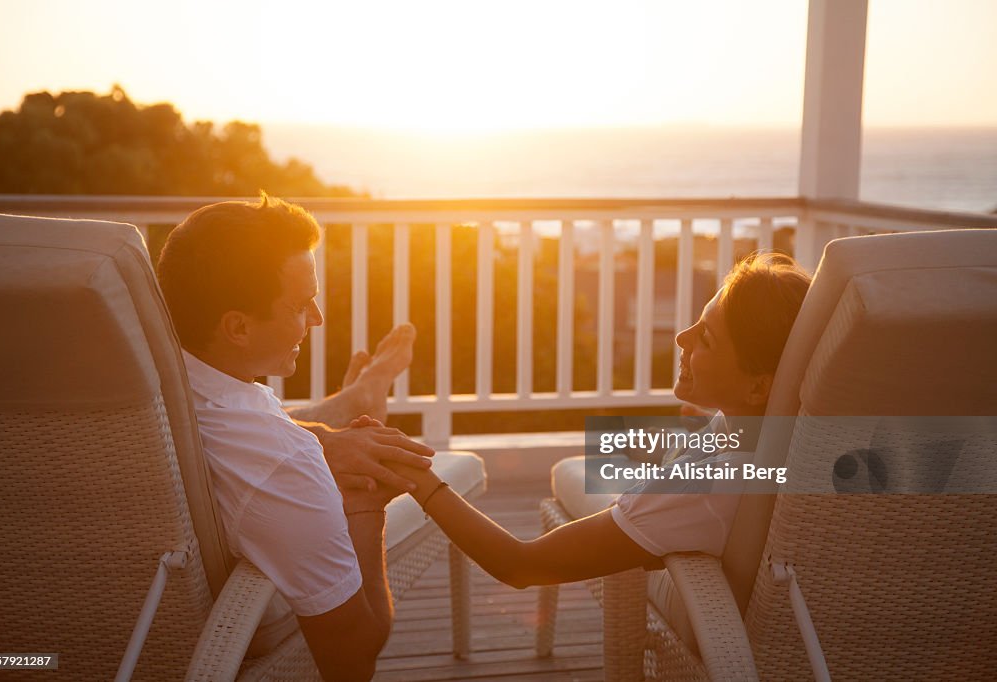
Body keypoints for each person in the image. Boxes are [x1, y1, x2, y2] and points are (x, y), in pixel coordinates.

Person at [376, 253, 811, 589]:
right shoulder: (803, 444)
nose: (681, 338)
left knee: (573, 471)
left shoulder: (701, 489)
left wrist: (422, 479)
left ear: (758, 387)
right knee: (625, 446)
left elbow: (520, 564)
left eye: (706, 338)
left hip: (696, 595)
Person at [157, 194, 431, 681]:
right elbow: (352, 658)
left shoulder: (148, 385)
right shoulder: (286, 459)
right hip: (233, 618)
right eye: (302, 305)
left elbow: (259, 438)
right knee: (307, 440)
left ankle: (352, 401)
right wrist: (364, 505)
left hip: (132, 620)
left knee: (302, 427)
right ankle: (360, 399)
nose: (318, 319)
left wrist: (321, 438)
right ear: (237, 326)